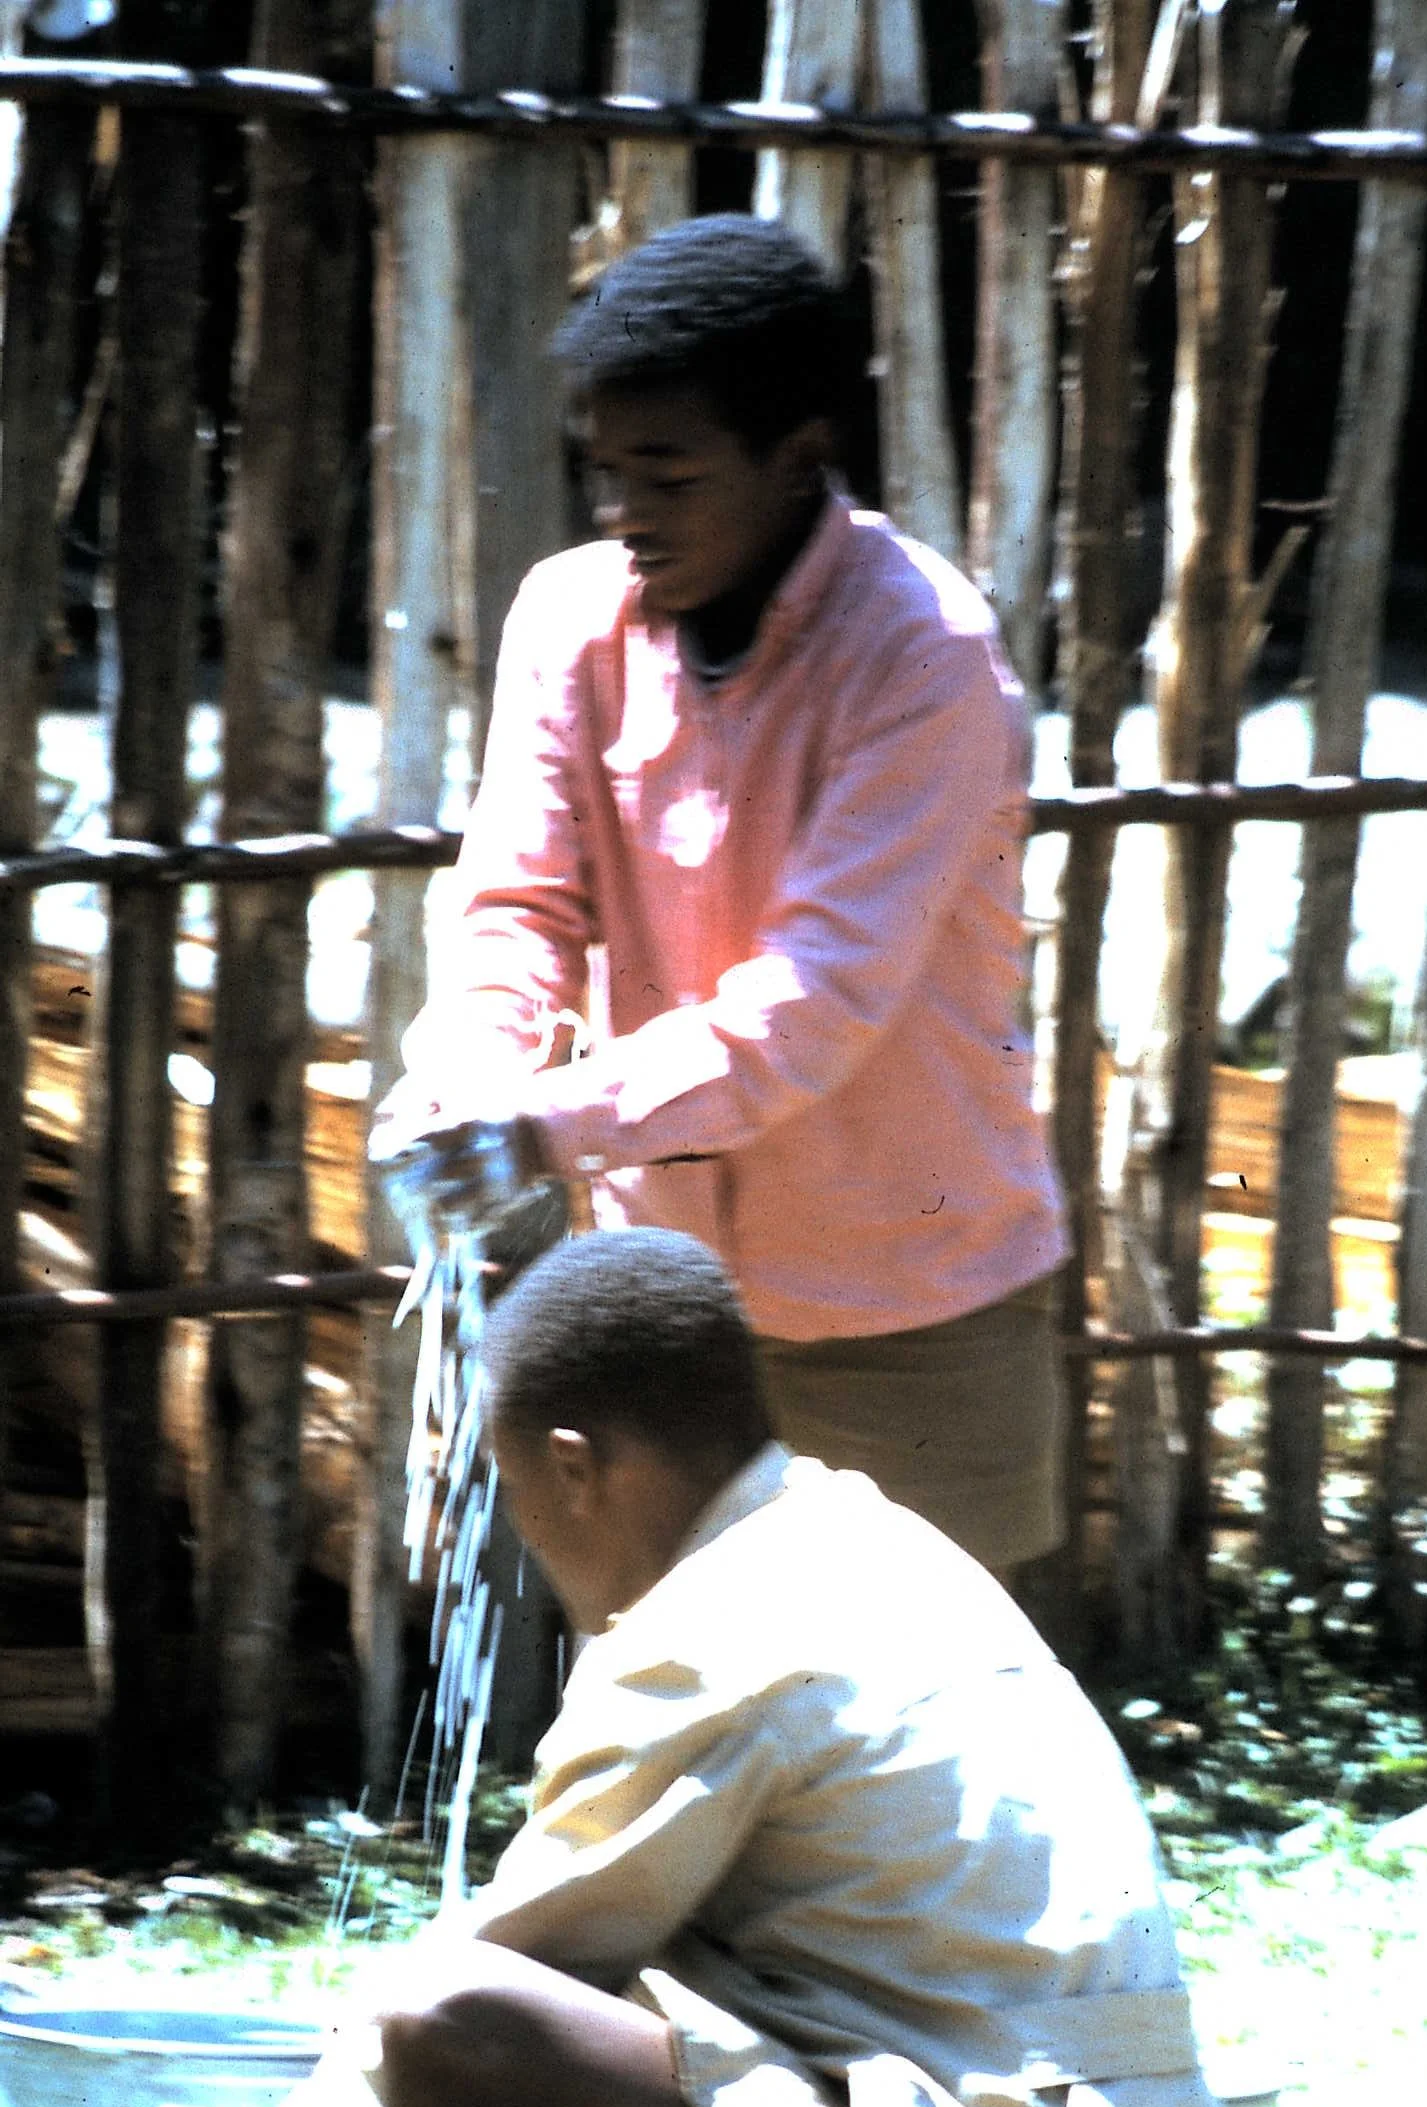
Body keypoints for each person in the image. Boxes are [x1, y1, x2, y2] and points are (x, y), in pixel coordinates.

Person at [370, 213, 1071, 1580]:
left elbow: (811, 1009)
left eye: (670, 474)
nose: (626, 514)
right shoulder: (571, 621)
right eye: (606, 473)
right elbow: (515, 903)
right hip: (670, 1302)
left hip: (911, 1298)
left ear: (800, 459)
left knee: (945, 1742)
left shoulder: (926, 657)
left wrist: (537, 1130)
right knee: (674, 1707)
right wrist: (465, 1081)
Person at [351, 1229, 1224, 2107]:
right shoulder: (884, 1542)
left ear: (574, 1469)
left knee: (446, 2020)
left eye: (524, 1510)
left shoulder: (701, 1638)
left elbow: (514, 1960)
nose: (536, 1550)